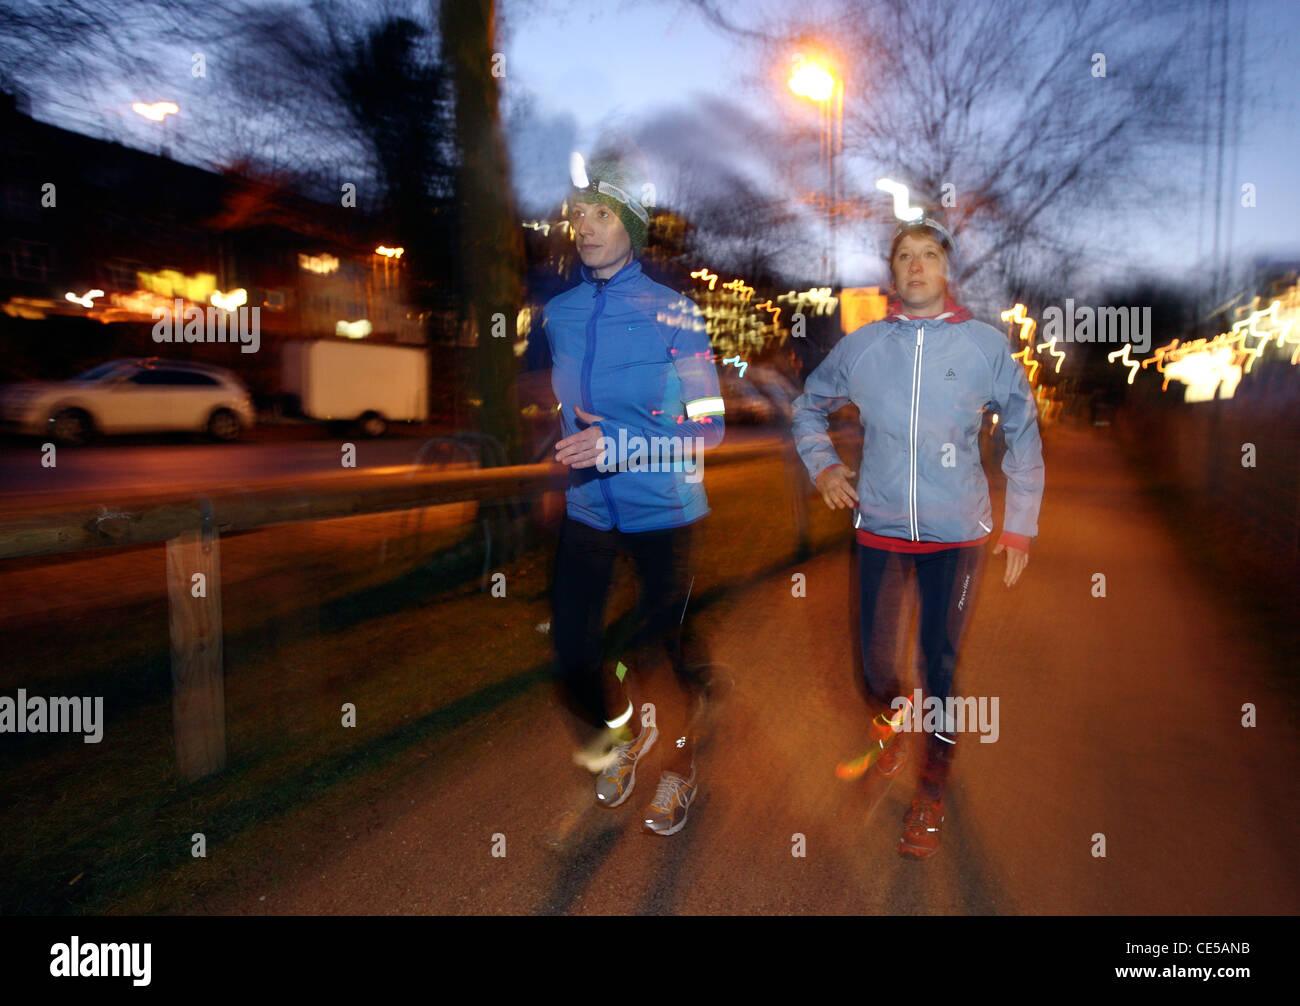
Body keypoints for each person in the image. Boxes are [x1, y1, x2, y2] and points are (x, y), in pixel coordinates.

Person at [790, 214, 1044, 859]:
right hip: (879, 529)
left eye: (929, 253)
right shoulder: (865, 345)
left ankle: (930, 789)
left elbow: (1022, 429)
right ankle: (890, 715)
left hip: (956, 537)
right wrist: (822, 466)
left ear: (946, 269)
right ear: (894, 272)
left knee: (942, 666)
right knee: (874, 668)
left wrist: (1019, 525)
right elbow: (808, 404)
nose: (916, 264)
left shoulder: (985, 347)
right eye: (905, 254)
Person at [543, 149, 725, 837]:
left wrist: (624, 444)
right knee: (573, 656)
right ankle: (619, 741)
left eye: (603, 213)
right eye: (578, 214)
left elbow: (710, 427)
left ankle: (683, 764)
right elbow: (559, 408)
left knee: (657, 654)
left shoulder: (674, 312)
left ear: (633, 224)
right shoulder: (558, 313)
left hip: (665, 511)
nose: (586, 227)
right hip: (588, 509)